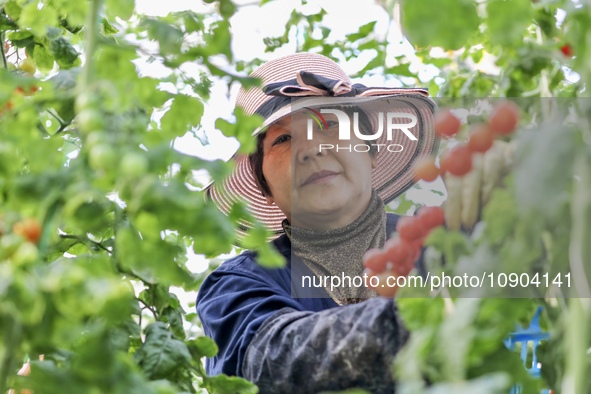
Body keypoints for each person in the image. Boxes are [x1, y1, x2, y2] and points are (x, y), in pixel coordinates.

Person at [196, 53, 438, 393]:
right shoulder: (237, 284)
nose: (310, 149)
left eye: (330, 124)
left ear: (370, 150)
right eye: (282, 139)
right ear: (263, 185)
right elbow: (269, 361)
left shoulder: (442, 243)